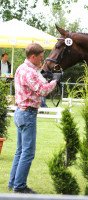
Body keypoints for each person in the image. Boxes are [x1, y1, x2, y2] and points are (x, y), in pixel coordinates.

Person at [8, 43, 58, 194]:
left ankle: (12, 182)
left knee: (20, 151)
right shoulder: (29, 72)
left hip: (21, 112)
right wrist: (55, 81)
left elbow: (38, 81)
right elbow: (42, 91)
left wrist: (47, 77)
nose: (42, 60)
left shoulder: (23, 69)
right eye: (41, 57)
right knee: (28, 152)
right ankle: (20, 186)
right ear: (33, 57)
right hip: (27, 114)